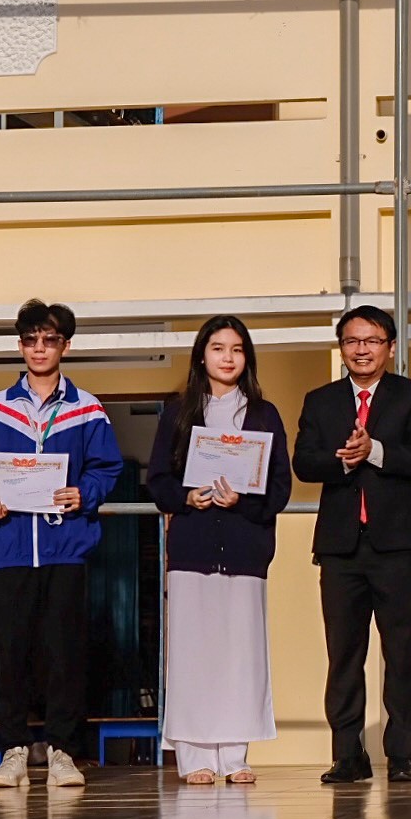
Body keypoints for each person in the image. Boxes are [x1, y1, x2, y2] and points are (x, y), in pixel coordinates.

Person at [0, 299, 123, 789]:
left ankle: (62, 751)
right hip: (9, 548)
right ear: (20, 346)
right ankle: (13, 751)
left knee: (64, 654)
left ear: (65, 347)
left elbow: (107, 467)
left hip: (66, 547)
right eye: (31, 340)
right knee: (10, 653)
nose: (40, 348)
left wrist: (86, 492)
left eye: (50, 340)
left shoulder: (87, 409)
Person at [294, 305, 411, 784]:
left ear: (390, 347)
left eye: (372, 341)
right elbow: (303, 462)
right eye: (352, 341)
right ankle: (347, 754)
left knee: (401, 649)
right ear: (341, 348)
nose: (362, 350)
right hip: (340, 546)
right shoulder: (321, 401)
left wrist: (374, 450)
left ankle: (401, 753)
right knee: (343, 652)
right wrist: (343, 459)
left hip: (396, 543)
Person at [147, 315, 293, 784]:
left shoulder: (264, 414)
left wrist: (242, 501)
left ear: (247, 357)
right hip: (192, 548)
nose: (227, 358)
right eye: (217, 348)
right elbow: (158, 481)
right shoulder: (177, 412)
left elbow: (280, 487)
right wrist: (186, 497)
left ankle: (235, 756)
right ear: (201, 356)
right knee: (192, 653)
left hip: (245, 550)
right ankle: (194, 757)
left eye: (236, 349)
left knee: (239, 653)